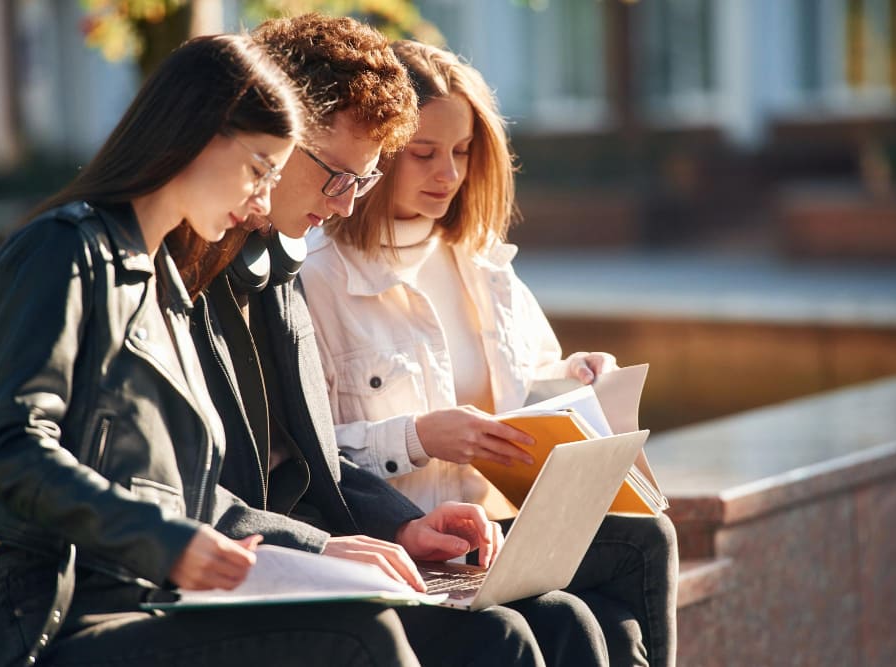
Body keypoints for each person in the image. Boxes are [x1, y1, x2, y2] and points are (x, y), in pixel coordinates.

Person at [0, 33, 423, 667]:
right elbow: (9, 446)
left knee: (376, 624)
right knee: (360, 636)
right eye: (259, 170)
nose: (262, 201)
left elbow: (186, 491)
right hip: (47, 618)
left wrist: (303, 556)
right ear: (197, 135)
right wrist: (166, 540)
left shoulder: (170, 287)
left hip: (148, 601)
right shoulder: (63, 251)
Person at [168, 14, 607, 667]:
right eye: (334, 175)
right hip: (240, 573)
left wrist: (399, 525)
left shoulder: (273, 270)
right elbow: (172, 486)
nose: (343, 204)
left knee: (570, 617)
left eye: (361, 180)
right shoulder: (205, 273)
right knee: (500, 637)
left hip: (328, 545)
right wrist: (331, 540)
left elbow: (306, 457)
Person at [299, 40, 680, 667]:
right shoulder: (317, 276)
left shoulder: (481, 260)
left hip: (501, 529)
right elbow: (304, 454)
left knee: (641, 547)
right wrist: (419, 437)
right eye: (423, 153)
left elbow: (527, 385)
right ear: (378, 151)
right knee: (585, 622)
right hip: (413, 535)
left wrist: (576, 378)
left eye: (462, 151)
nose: (448, 174)